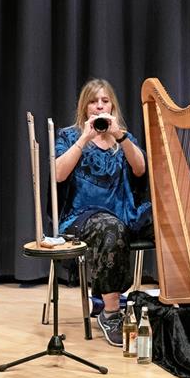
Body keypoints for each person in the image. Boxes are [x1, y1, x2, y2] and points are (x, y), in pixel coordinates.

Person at [55, 78, 151, 347]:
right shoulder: (70, 136)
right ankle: (110, 313)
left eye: (105, 100)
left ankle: (177, 301)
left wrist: (119, 134)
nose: (99, 106)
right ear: (85, 108)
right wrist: (85, 138)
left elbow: (140, 168)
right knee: (111, 228)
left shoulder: (122, 138)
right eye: (93, 101)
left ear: (112, 105)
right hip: (81, 217)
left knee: (171, 221)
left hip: (123, 213)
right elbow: (58, 174)